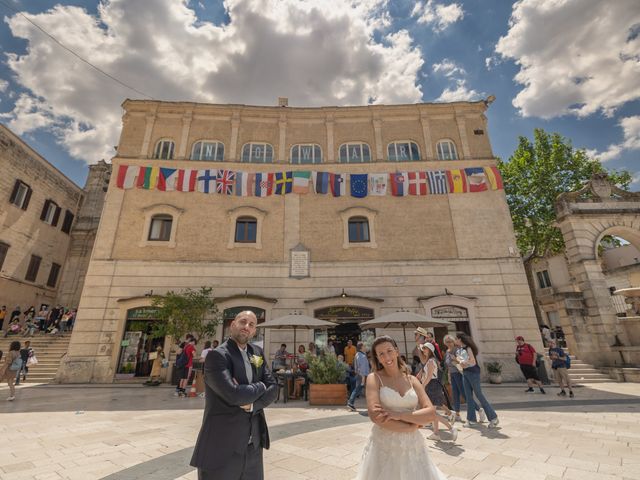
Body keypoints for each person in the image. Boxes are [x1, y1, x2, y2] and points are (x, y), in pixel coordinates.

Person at [190, 310, 278, 480]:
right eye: (243, 322)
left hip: (253, 446)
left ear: (254, 331)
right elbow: (235, 396)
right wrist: (261, 385)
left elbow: (274, 388)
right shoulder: (217, 356)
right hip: (222, 447)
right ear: (232, 325)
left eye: (251, 324)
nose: (246, 327)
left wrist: (253, 404)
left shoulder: (257, 352)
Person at [355, 335, 444, 480]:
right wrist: (411, 426)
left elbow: (431, 413)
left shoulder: (412, 380)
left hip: (413, 446)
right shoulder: (374, 378)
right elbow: (376, 416)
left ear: (397, 351)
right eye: (381, 354)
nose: (386, 357)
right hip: (384, 446)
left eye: (389, 351)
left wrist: (400, 415)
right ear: (377, 358)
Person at [453, 333, 499, 428]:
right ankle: (471, 420)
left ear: (460, 339)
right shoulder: (460, 350)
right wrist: (458, 362)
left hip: (473, 373)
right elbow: (464, 362)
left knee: (479, 395)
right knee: (468, 397)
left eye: (456, 339)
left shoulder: (468, 348)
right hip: (465, 373)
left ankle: (493, 418)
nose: (455, 340)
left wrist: (462, 362)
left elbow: (473, 361)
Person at [419, 342, 457, 441]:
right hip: (432, 386)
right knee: (433, 412)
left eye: (425, 349)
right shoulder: (429, 361)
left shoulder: (431, 361)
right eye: (423, 349)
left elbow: (429, 376)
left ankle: (451, 428)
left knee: (432, 413)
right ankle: (436, 433)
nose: (424, 350)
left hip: (432, 386)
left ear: (430, 350)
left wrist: (422, 387)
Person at [443, 335, 484, 423]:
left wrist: (455, 360)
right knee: (455, 394)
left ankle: (479, 410)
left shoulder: (457, 350)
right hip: (452, 374)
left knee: (464, 394)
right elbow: (447, 365)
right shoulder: (447, 351)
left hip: (459, 373)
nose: (449, 343)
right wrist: (449, 375)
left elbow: (461, 360)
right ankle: (457, 414)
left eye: (450, 341)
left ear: (454, 342)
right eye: (447, 342)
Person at [347, 342, 370, 411]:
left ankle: (351, 403)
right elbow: (362, 368)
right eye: (364, 346)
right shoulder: (362, 356)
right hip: (362, 375)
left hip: (360, 375)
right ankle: (350, 403)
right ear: (361, 347)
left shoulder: (358, 354)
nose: (365, 347)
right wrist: (363, 378)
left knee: (358, 389)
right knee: (358, 389)